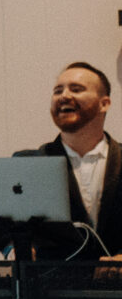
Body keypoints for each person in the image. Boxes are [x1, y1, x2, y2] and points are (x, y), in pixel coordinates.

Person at [25, 61, 122, 260]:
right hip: (52, 287)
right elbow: (10, 230)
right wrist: (14, 249)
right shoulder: (28, 164)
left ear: (104, 103)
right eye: (57, 90)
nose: (64, 96)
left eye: (76, 89)